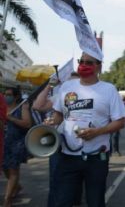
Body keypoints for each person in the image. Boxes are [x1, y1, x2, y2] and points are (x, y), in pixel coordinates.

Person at [48, 52, 125, 207]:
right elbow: (58, 114)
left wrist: (97, 132)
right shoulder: (67, 86)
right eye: (81, 61)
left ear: (98, 66)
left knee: (95, 202)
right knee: (62, 201)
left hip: (96, 158)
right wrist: (51, 122)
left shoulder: (108, 89)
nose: (83, 65)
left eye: (89, 63)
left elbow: (120, 122)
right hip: (67, 156)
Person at [32, 71, 82, 207]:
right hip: (60, 145)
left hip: (81, 145)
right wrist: (49, 85)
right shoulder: (60, 96)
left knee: (78, 180)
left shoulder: (88, 97)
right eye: (68, 82)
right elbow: (37, 106)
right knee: (56, 179)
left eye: (75, 82)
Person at [2, 87, 32, 207]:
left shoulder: (22, 107)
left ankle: (7, 200)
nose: (6, 96)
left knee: (13, 170)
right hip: (3, 142)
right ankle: (16, 186)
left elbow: (27, 124)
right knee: (5, 168)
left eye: (9, 95)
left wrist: (11, 118)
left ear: (15, 97)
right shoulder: (2, 107)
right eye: (5, 94)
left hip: (17, 143)